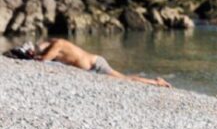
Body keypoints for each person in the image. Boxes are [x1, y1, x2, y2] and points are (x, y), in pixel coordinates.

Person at [29, 38, 170, 87]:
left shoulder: (57, 44)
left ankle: (157, 82)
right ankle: (153, 81)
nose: (37, 51)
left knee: (126, 80)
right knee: (123, 78)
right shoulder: (56, 46)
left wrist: (35, 57)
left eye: (38, 49)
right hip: (92, 66)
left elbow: (44, 60)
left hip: (95, 65)